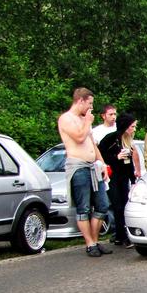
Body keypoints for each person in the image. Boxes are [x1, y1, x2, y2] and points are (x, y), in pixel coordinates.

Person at [57, 88, 112, 257]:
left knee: (102, 205)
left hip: (93, 166)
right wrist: (87, 121)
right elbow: (79, 138)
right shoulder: (66, 119)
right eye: (89, 103)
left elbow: (92, 144)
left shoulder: (83, 120)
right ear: (80, 101)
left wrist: (103, 164)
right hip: (78, 167)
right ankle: (89, 243)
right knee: (84, 208)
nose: (91, 108)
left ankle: (95, 241)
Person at [98, 112, 141, 248]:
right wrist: (116, 157)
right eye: (132, 126)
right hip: (112, 177)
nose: (134, 129)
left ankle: (122, 235)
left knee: (124, 204)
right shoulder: (110, 138)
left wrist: (133, 180)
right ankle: (120, 236)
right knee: (117, 206)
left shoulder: (128, 141)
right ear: (125, 126)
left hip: (123, 177)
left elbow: (129, 163)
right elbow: (100, 156)